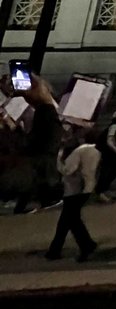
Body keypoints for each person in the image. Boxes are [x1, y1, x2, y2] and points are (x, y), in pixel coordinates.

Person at [45, 125, 100, 262]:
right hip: (86, 187)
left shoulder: (80, 151)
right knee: (67, 220)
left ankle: (85, 246)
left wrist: (59, 155)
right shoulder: (95, 150)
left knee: (71, 221)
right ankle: (55, 250)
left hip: (74, 190)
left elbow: (67, 170)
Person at [15, 73, 63, 213]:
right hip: (44, 118)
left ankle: (37, 201)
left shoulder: (43, 94)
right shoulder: (43, 105)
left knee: (39, 168)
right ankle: (35, 201)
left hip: (45, 115)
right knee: (38, 169)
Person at [94, 118, 116, 203]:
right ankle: (100, 191)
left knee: (113, 170)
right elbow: (109, 141)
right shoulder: (114, 126)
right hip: (108, 152)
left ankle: (102, 190)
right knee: (108, 171)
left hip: (109, 151)